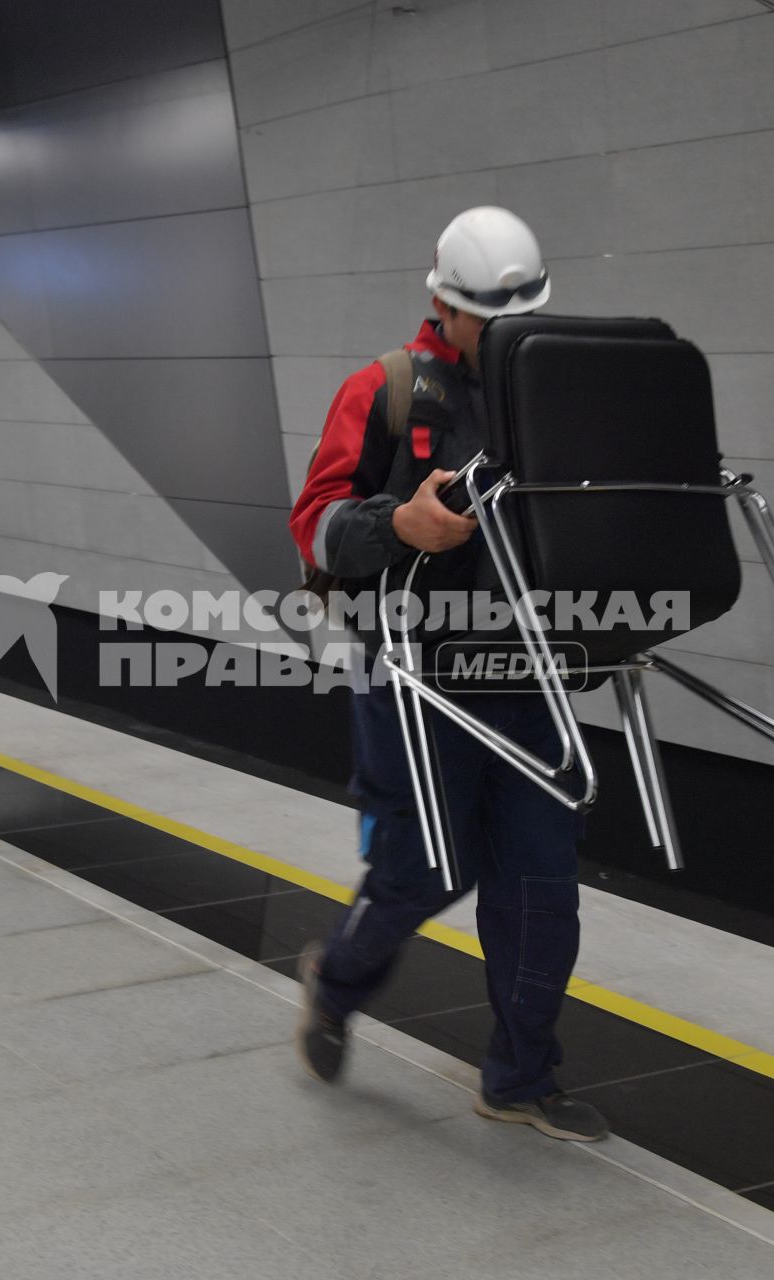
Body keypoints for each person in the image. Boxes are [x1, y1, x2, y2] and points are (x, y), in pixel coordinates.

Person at [286, 208, 608, 1142]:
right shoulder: (386, 389)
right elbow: (315, 524)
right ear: (442, 301)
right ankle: (336, 983)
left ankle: (519, 1076)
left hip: (527, 673)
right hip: (414, 676)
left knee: (542, 881)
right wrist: (401, 526)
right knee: (422, 869)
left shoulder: (552, 390)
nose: (505, 332)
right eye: (486, 317)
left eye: (521, 313)